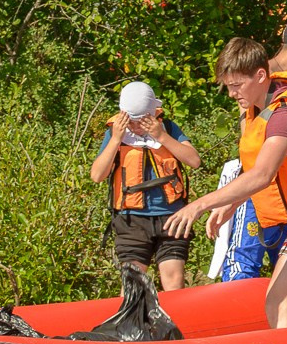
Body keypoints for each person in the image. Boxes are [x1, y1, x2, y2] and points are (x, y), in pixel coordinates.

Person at [165, 37, 287, 327]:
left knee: (279, 302)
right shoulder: (263, 105)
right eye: (228, 86)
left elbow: (262, 174)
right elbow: (259, 170)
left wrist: (198, 206)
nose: (231, 94)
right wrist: (232, 203)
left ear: (260, 75)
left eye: (236, 85)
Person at [87, 81, 204, 291]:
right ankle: (130, 324)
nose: (135, 126)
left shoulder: (167, 128)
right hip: (131, 220)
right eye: (130, 121)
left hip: (171, 217)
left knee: (174, 280)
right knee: (132, 283)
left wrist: (161, 136)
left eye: (141, 120)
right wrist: (115, 140)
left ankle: (176, 322)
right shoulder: (116, 135)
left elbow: (194, 161)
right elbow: (97, 175)